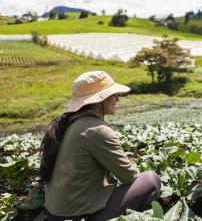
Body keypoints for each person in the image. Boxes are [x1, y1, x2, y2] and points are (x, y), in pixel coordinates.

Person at [39, 71, 161, 220]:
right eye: (113, 95)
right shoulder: (96, 130)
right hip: (80, 216)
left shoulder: (69, 124)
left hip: (56, 214)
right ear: (99, 100)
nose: (117, 99)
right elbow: (129, 176)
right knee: (150, 180)